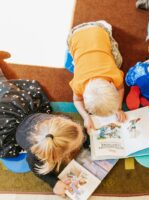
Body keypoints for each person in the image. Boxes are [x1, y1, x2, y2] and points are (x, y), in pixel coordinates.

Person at [0, 68, 85, 197]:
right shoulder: (38, 154)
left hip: (14, 106)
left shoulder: (59, 123)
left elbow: (72, 130)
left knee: (3, 85)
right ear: (55, 155)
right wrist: (54, 183)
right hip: (6, 122)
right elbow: (35, 167)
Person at [67, 20, 126, 132]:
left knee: (118, 61)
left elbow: (121, 88)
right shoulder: (78, 84)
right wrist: (86, 116)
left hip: (93, 30)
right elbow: (77, 101)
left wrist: (118, 108)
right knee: (118, 61)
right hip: (77, 33)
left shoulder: (114, 75)